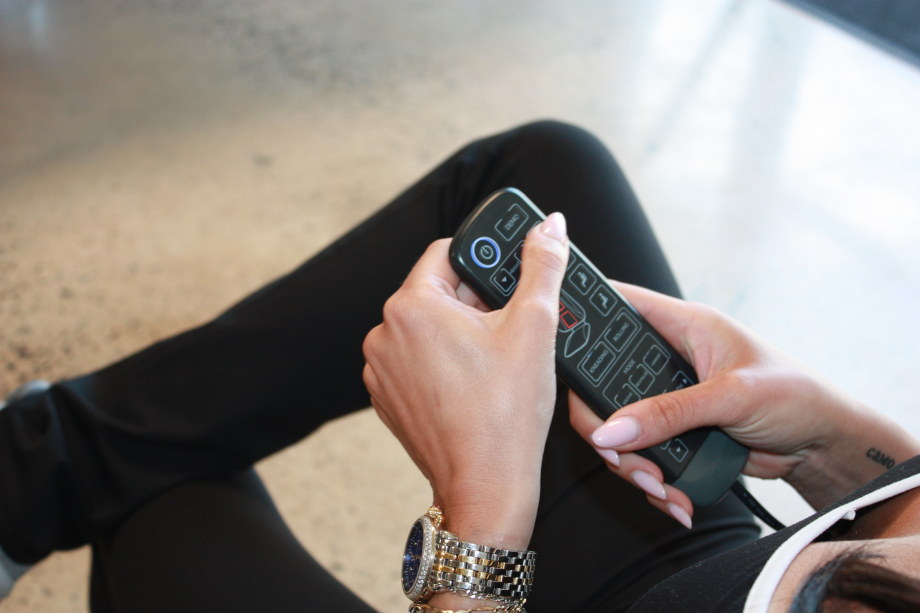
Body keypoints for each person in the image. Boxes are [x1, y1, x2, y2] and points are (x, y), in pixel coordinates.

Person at [1, 121, 919, 613]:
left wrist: (483, 523)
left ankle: (43, 468)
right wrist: (830, 443)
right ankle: (35, 469)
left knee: (161, 510)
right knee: (543, 168)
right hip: (741, 575)